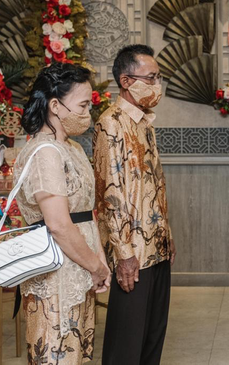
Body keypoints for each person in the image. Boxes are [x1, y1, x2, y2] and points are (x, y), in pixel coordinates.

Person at [15, 63, 111, 364]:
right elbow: (57, 224)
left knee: (77, 352)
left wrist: (99, 260)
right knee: (56, 352)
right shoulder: (44, 152)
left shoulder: (72, 148)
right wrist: (95, 265)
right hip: (56, 270)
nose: (88, 113)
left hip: (79, 265)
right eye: (83, 105)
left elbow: (86, 212)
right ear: (55, 105)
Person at [94, 44, 176, 365]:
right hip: (133, 254)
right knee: (125, 344)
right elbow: (111, 195)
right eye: (151, 77)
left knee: (152, 336)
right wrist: (124, 254)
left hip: (156, 245)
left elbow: (153, 187)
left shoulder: (144, 123)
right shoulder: (110, 124)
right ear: (127, 81)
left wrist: (166, 233)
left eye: (158, 77)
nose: (157, 85)